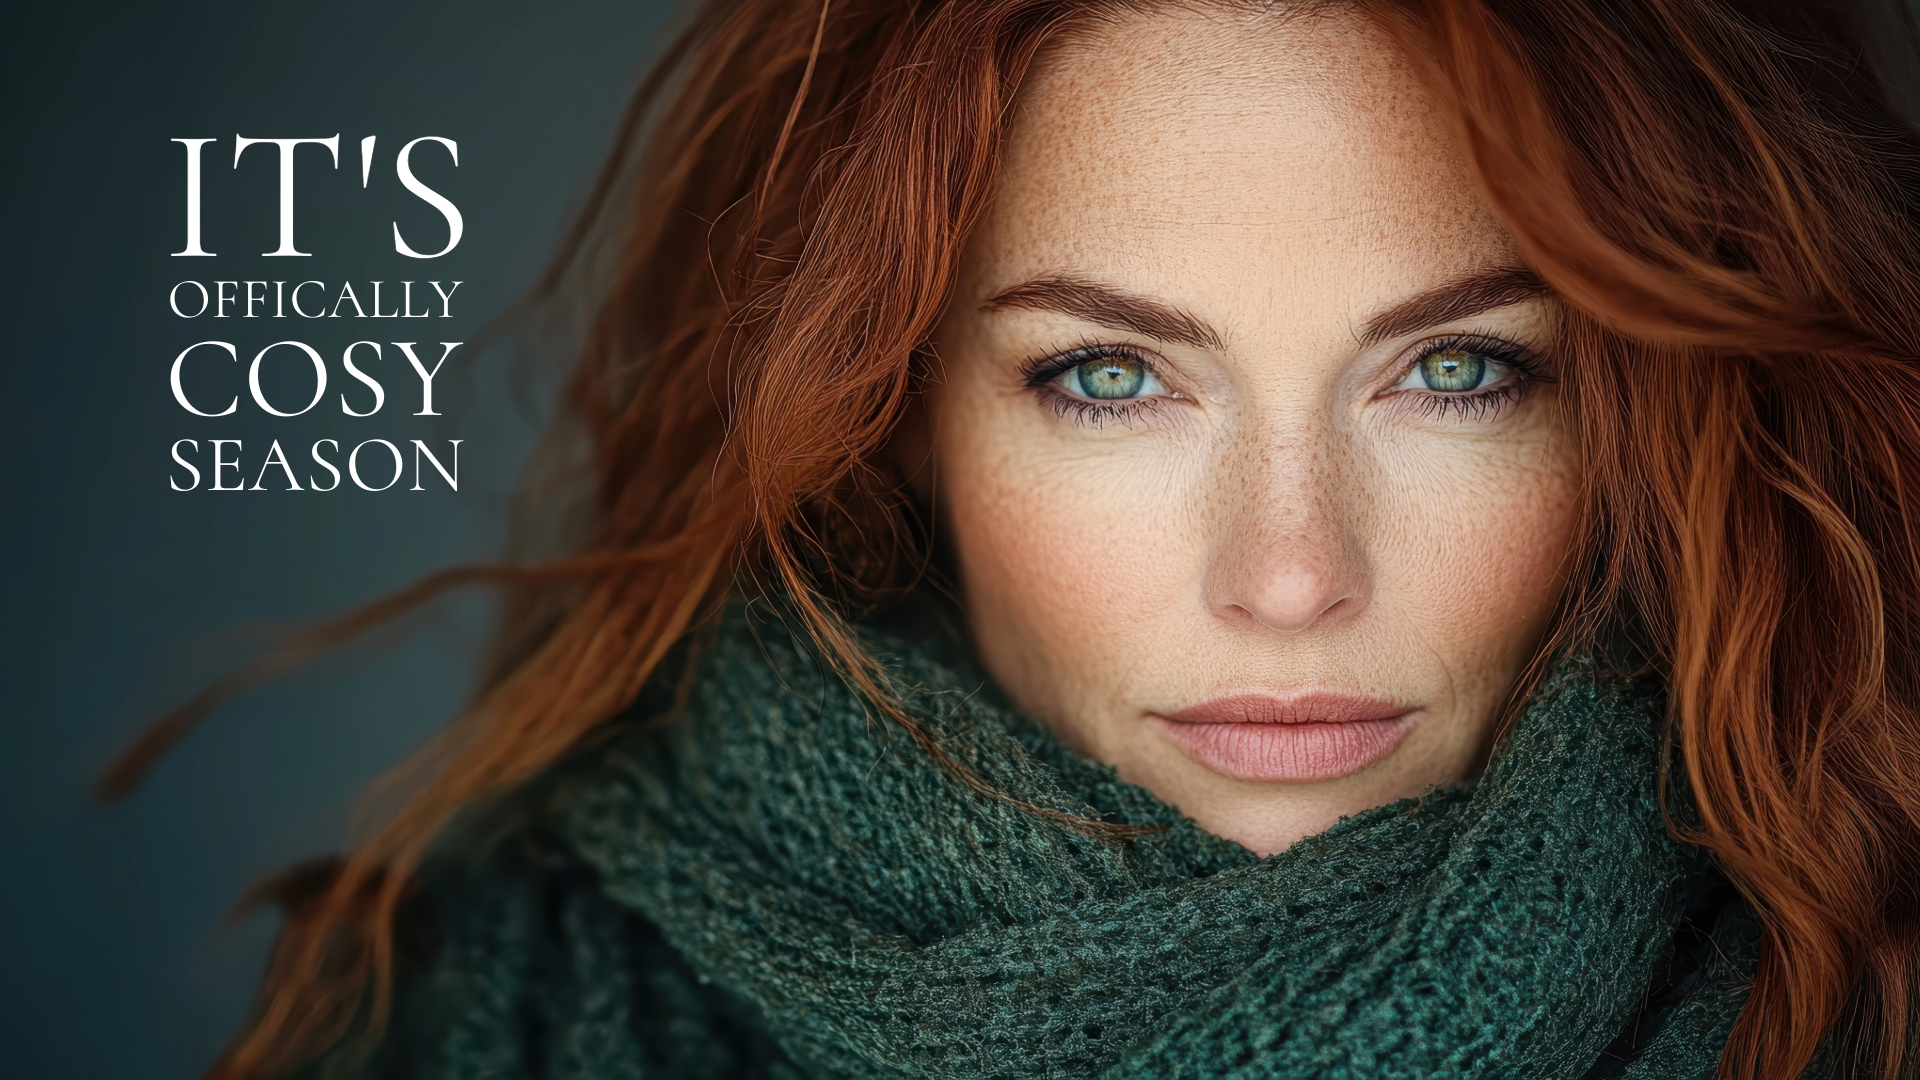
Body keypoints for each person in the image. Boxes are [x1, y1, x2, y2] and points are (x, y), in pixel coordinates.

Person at [117, 0, 1920, 1076]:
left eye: (1457, 370)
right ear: (896, 419)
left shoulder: (1863, 968)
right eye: (1110, 378)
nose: (1289, 577)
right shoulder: (473, 1019)